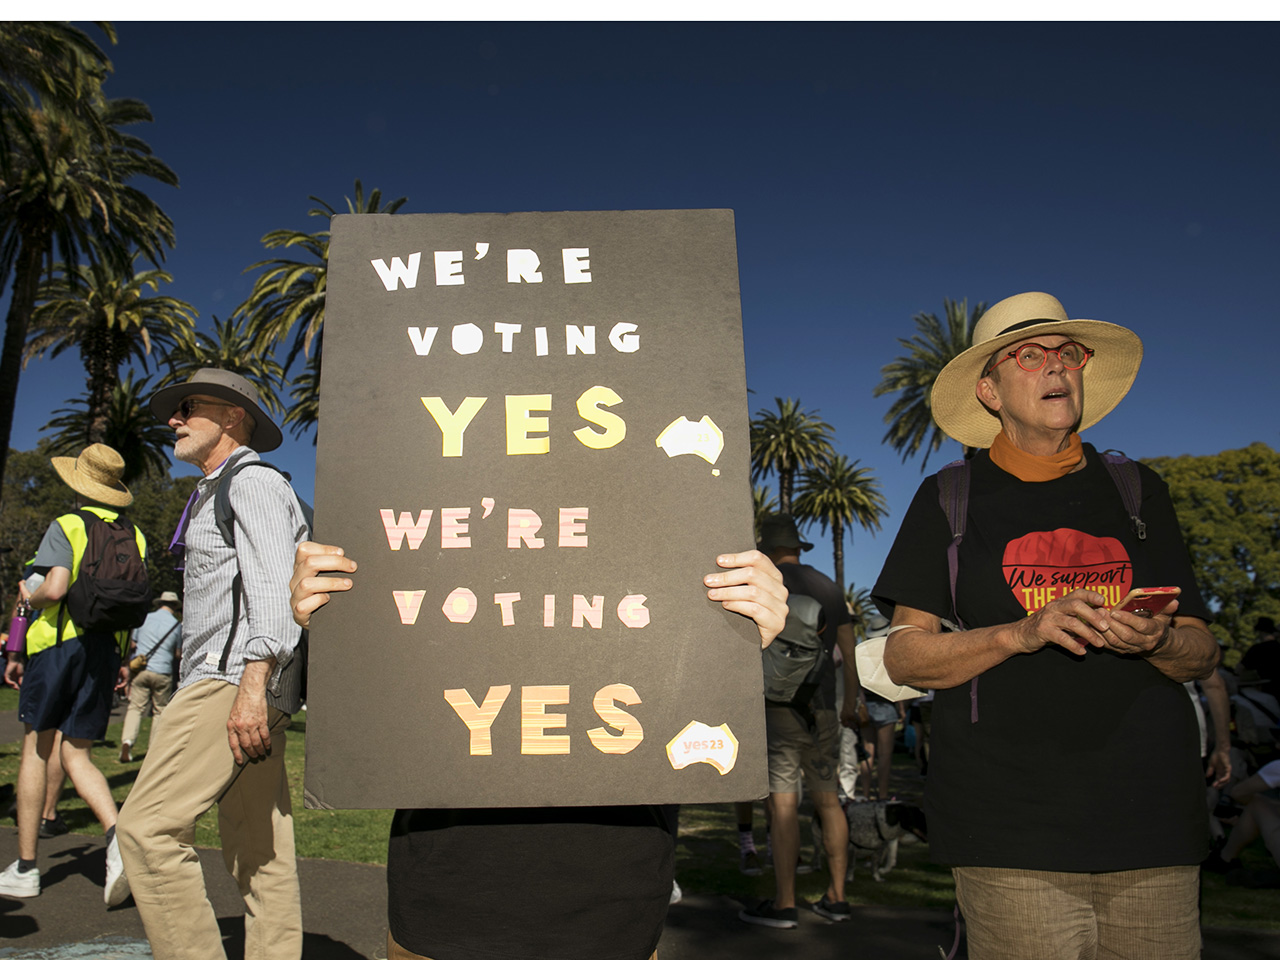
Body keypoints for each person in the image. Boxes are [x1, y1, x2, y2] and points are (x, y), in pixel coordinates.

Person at [873, 291, 1219, 959]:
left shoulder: (1139, 490)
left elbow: (1202, 651)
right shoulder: (948, 498)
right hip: (1008, 830)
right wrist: (1020, 633)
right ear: (989, 389)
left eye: (1067, 354)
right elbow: (904, 658)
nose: (1055, 368)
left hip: (1153, 823)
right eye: (1028, 356)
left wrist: (1161, 640)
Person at [290, 539, 788, 960]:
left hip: (616, 913)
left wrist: (737, 639)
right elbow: (373, 703)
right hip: (439, 907)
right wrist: (339, 624)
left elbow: (690, 709)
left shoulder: (660, 539)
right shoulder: (445, 530)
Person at [117, 370, 309, 960]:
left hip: (228, 686)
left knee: (146, 832)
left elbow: (274, 592)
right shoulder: (219, 490)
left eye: (187, 407)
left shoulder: (249, 483)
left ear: (232, 417)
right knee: (260, 852)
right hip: (247, 688)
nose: (173, 419)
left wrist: (253, 687)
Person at [0, 444, 143, 905]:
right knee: (78, 754)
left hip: (58, 647)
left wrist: (28, 595)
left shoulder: (68, 525)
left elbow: (56, 588)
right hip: (105, 652)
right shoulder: (134, 536)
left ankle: (25, 868)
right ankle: (118, 838)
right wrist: (122, 659)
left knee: (37, 751)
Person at [739, 514, 856, 928]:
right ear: (798, 547)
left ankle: (785, 903)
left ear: (767, 548)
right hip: (822, 706)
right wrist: (852, 699)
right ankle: (837, 898)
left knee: (784, 804)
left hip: (778, 709)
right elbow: (848, 645)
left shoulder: (764, 585)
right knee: (828, 800)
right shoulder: (826, 585)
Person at [119, 590, 183, 763]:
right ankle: (153, 750)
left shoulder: (145, 619)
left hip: (141, 669)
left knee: (135, 707)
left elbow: (133, 643)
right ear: (175, 607)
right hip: (162, 671)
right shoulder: (177, 626)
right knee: (159, 710)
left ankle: (127, 741)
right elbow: (178, 653)